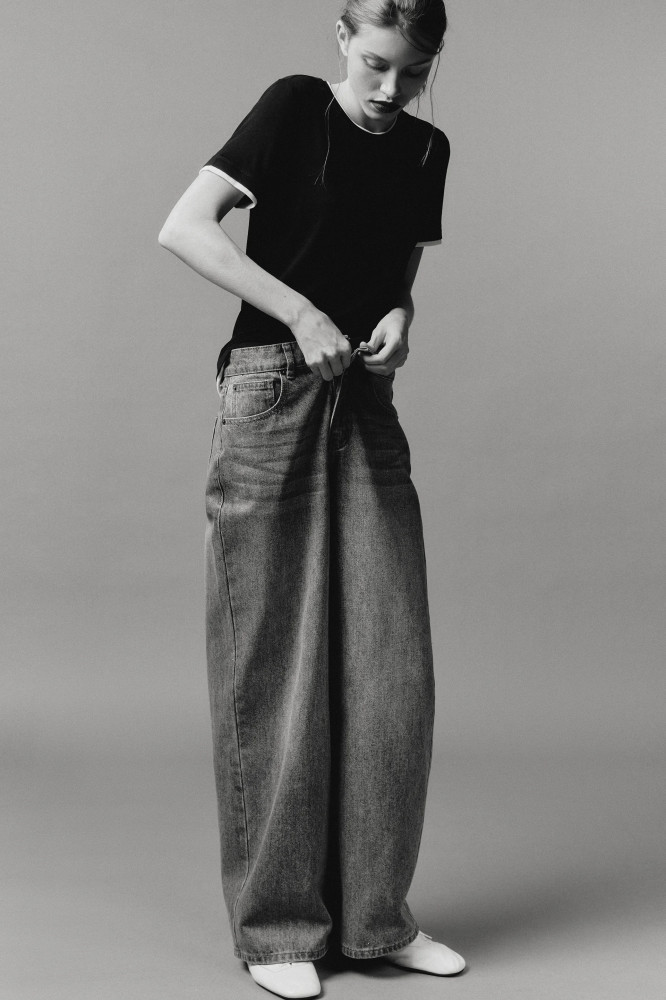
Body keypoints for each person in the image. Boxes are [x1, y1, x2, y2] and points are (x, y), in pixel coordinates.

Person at [159, 1, 465, 996]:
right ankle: (280, 931)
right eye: (375, 63)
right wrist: (299, 312)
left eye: (412, 72)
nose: (389, 89)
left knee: (392, 668)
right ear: (342, 38)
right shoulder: (296, 108)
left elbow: (395, 274)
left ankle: (376, 922)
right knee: (275, 663)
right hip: (271, 388)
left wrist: (398, 315)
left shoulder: (427, 150)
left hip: (363, 401)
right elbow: (183, 227)